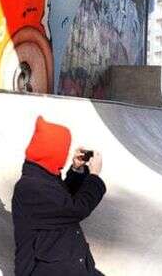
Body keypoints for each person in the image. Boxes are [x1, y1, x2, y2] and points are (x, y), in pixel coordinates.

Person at [12, 116, 106, 276]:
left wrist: (76, 170)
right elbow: (76, 209)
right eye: (64, 149)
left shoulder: (41, 176)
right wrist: (94, 177)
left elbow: (62, 200)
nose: (66, 153)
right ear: (53, 151)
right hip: (46, 270)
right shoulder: (30, 188)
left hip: (67, 264)